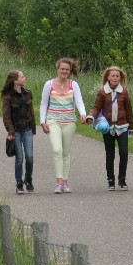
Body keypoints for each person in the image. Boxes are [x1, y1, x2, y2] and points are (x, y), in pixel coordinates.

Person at [39, 58, 92, 194]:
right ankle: (59, 182)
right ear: (58, 69)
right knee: (57, 150)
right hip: (53, 121)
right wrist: (42, 121)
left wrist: (83, 114)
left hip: (69, 122)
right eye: (62, 69)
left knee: (65, 152)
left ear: (70, 71)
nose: (64, 71)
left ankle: (65, 182)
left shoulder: (74, 85)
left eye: (67, 69)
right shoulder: (49, 84)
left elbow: (79, 101)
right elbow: (44, 104)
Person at [90, 65, 133, 191]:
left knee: (124, 152)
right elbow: (96, 108)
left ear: (120, 78)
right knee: (110, 154)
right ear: (108, 78)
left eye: (117, 76)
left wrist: (131, 127)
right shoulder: (102, 92)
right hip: (108, 128)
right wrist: (91, 116)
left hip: (122, 127)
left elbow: (129, 110)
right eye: (113, 76)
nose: (115, 78)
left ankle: (122, 179)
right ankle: (110, 180)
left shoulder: (124, 92)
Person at [1, 70, 36, 195]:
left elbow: (31, 112)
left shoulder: (28, 94)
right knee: (19, 158)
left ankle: (28, 179)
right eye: (22, 77)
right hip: (15, 131)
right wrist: (10, 131)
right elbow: (6, 116)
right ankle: (19, 182)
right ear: (15, 80)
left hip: (27, 129)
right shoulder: (8, 97)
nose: (24, 78)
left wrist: (33, 127)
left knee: (30, 157)